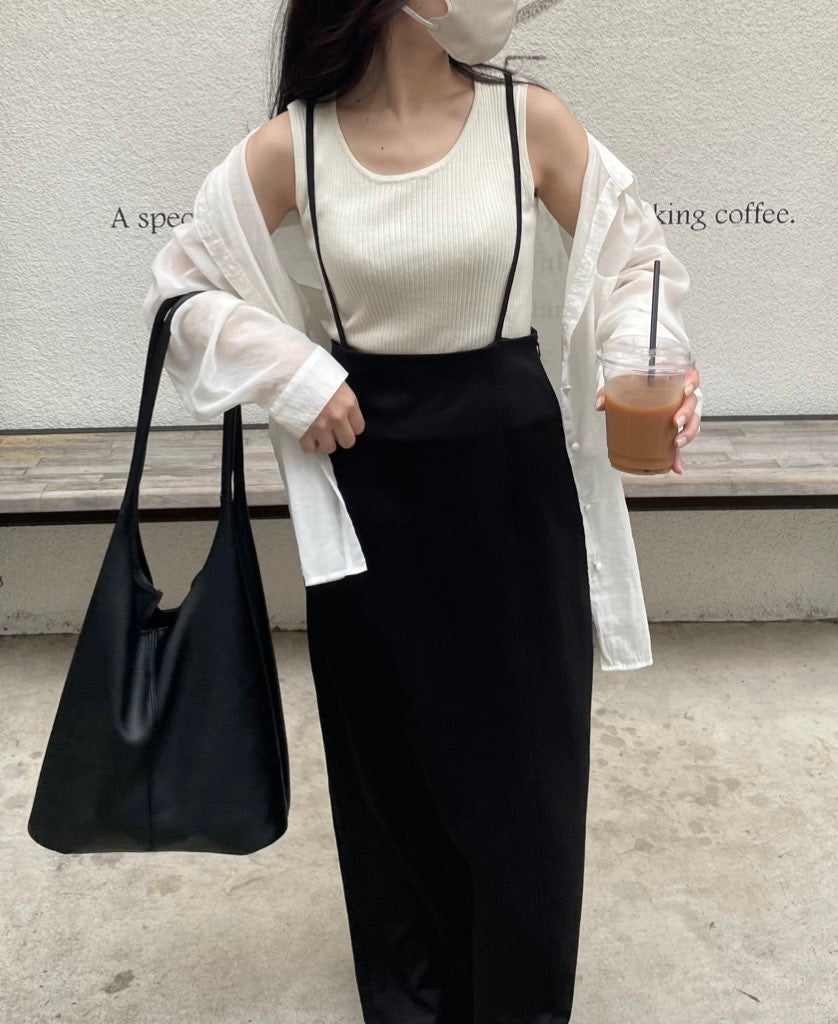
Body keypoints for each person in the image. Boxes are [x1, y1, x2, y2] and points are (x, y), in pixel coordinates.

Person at [142, 2, 703, 1020]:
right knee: (389, 771)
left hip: (513, 485)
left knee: (527, 773)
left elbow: (638, 263)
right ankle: (412, 1002)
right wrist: (291, 371)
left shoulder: (528, 121)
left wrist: (642, 357)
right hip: (368, 487)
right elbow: (180, 294)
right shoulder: (293, 147)